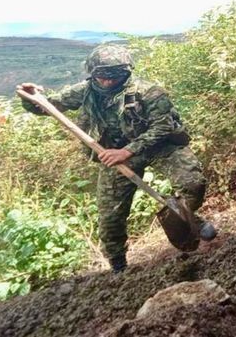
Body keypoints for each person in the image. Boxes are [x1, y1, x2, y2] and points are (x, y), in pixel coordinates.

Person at [17, 44, 216, 273]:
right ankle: (119, 268)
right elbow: (48, 107)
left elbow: (163, 126)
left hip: (159, 147)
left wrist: (129, 150)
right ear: (93, 74)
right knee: (110, 217)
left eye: (115, 76)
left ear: (127, 72)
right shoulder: (85, 91)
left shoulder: (149, 92)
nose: (108, 82)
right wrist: (32, 99)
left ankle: (186, 223)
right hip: (115, 155)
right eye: (101, 76)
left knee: (193, 183)